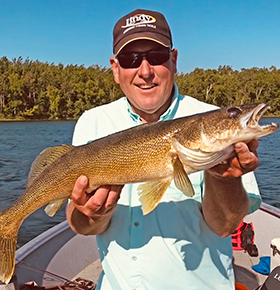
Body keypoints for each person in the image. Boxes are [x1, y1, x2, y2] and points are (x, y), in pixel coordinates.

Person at [66, 9, 261, 290]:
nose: (145, 71)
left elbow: (225, 226)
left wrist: (225, 178)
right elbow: (82, 226)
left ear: (174, 59)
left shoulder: (209, 118)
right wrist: (94, 214)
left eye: (156, 57)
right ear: (115, 68)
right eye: (131, 60)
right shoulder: (93, 122)